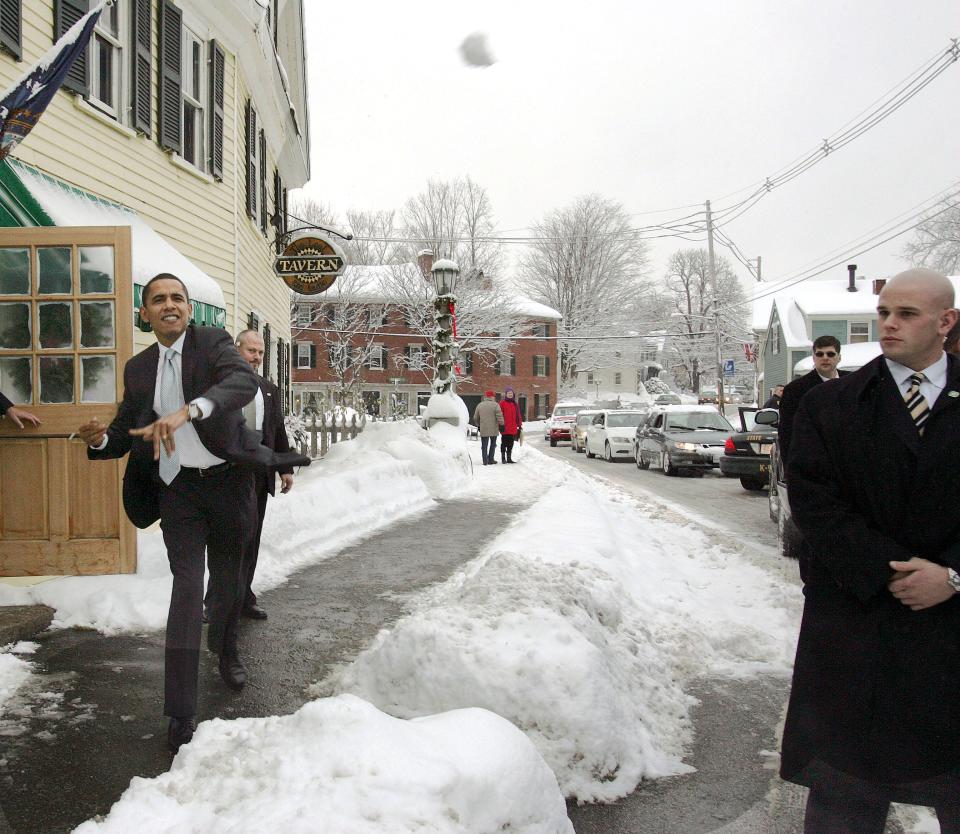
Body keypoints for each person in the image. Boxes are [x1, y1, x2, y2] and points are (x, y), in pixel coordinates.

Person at [77, 273, 308, 753]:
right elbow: (125, 430)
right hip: (177, 489)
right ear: (145, 313)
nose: (169, 305)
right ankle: (181, 712)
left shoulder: (213, 345)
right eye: (158, 299)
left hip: (227, 483)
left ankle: (226, 649)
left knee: (225, 589)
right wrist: (99, 438)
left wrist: (193, 409)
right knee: (186, 590)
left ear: (188, 308)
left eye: (177, 298)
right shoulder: (139, 368)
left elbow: (241, 381)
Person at [780, 268, 960, 833]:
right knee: (845, 801)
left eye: (906, 314)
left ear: (946, 322)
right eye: (884, 312)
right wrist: (892, 573)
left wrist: (952, 576)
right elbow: (816, 506)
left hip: (952, 635)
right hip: (857, 634)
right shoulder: (831, 406)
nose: (888, 324)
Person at [206, 329, 294, 621]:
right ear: (237, 349)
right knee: (223, 540)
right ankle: (215, 602)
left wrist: (284, 468)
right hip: (224, 475)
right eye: (250, 351)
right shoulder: (218, 386)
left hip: (256, 475)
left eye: (260, 353)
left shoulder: (268, 389)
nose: (256, 357)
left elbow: (277, 430)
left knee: (251, 539)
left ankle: (244, 599)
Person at [777, 335, 848, 466]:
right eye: (820, 354)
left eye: (830, 354)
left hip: (849, 463)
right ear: (814, 358)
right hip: (813, 465)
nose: (825, 358)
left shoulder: (853, 383)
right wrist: (791, 469)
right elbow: (787, 432)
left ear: (839, 357)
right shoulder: (796, 390)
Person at [473, 390, 503, 465]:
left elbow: (475, 418)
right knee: (493, 444)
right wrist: (502, 424)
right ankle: (491, 459)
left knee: (484, 445)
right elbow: (499, 416)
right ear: (492, 397)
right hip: (494, 428)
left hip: (484, 428)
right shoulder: (496, 405)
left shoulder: (480, 405)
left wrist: (478, 425)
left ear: (485, 396)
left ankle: (485, 461)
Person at [498, 386, 522, 463]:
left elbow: (518, 415)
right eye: (508, 393)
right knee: (504, 442)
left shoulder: (515, 404)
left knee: (511, 443)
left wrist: (519, 424)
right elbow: (499, 414)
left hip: (513, 427)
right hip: (505, 426)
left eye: (511, 393)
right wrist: (500, 424)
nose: (510, 394)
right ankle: (503, 458)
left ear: (513, 394)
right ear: (506, 394)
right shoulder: (502, 403)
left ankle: (509, 458)